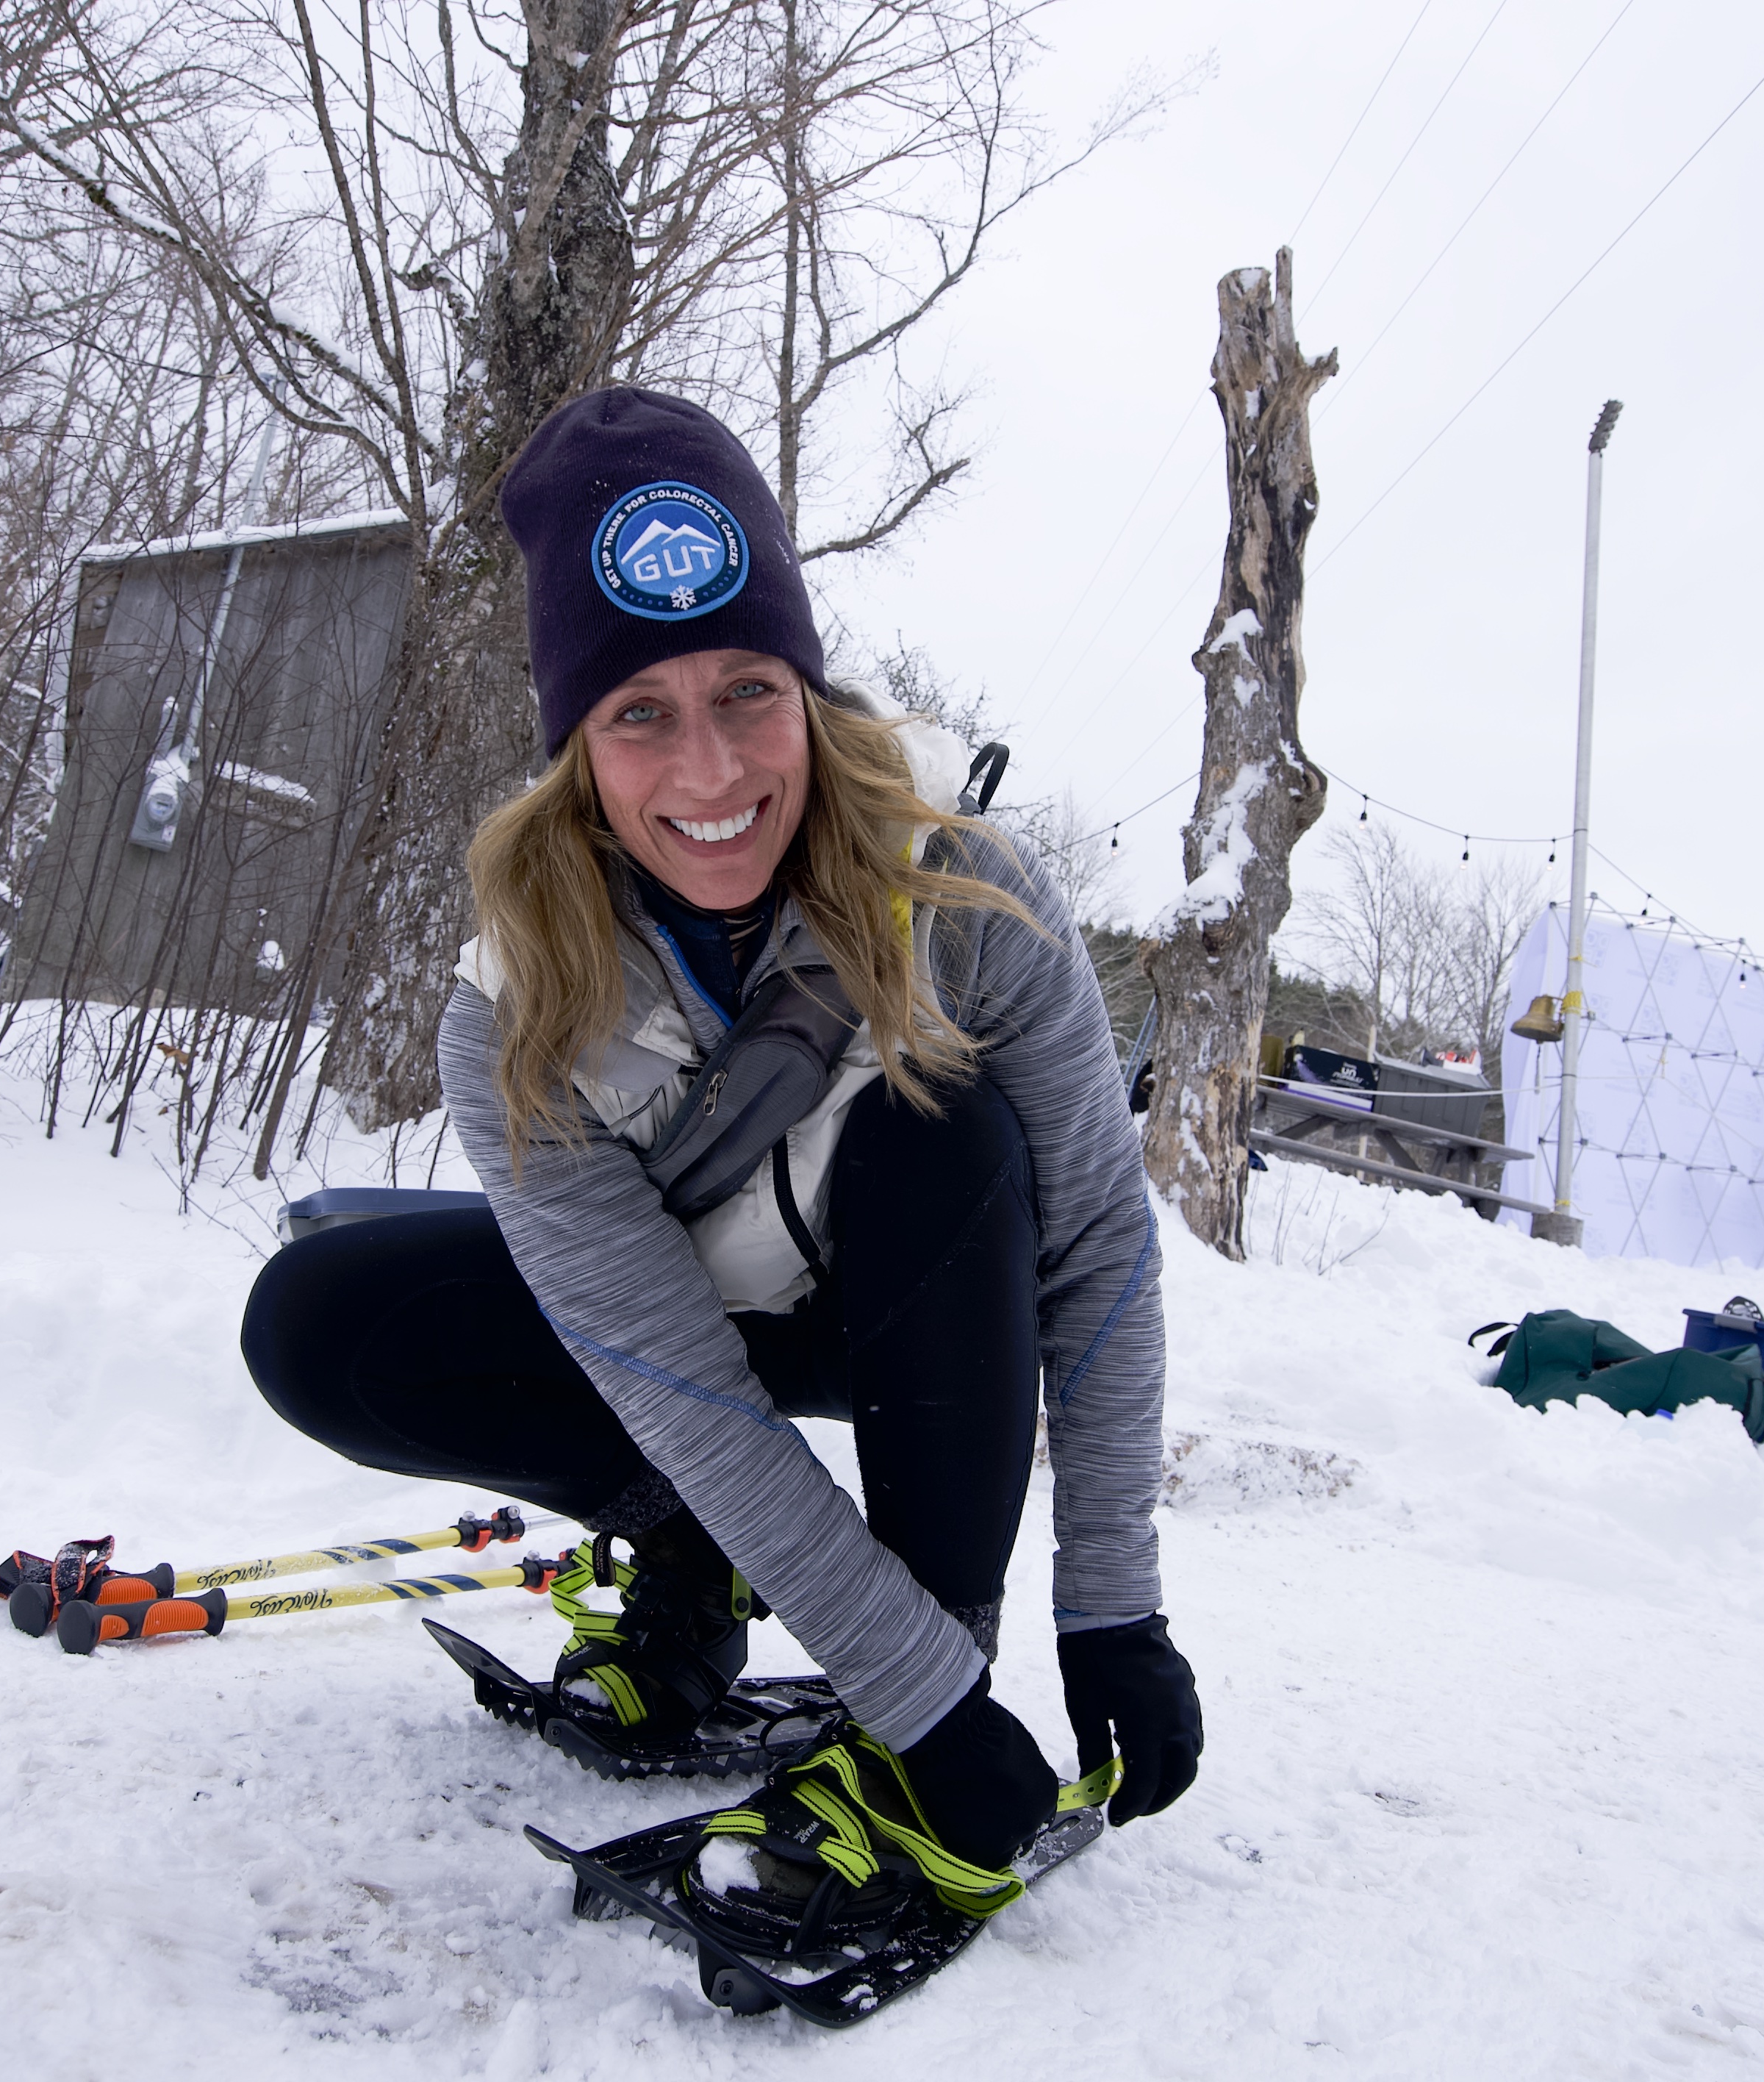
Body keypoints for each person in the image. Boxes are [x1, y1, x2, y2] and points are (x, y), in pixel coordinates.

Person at [239, 387, 1198, 1922]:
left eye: (748, 690)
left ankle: (939, 1641)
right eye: (639, 714)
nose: (708, 772)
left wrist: (1110, 1613)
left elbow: (1096, 1254)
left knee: (928, 1121)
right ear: (574, 748)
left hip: (897, 1304)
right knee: (319, 1320)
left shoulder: (968, 903)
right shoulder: (516, 1005)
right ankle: (692, 1559)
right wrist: (923, 1706)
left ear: (807, 690)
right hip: (675, 1344)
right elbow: (668, 1374)